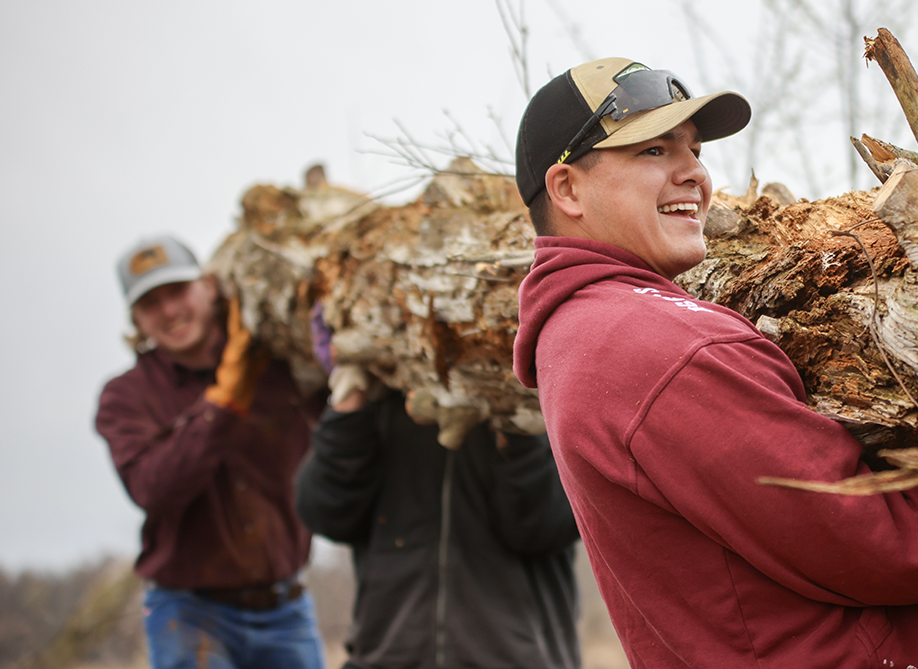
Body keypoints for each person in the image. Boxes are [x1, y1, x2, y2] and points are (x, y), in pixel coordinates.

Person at [510, 56, 918, 668]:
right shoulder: (651, 346)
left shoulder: (584, 331)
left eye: (694, 149)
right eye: (653, 152)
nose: (694, 173)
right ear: (567, 188)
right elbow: (864, 534)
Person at [294, 307, 582, 669]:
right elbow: (326, 512)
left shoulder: (553, 399)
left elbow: (543, 525)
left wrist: (513, 414)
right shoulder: (381, 404)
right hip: (388, 657)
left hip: (516, 659)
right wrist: (348, 400)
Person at [96, 235, 326, 669]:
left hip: (287, 607)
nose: (169, 311)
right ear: (136, 321)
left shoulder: (279, 365)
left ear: (209, 287)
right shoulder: (126, 397)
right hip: (188, 613)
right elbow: (152, 489)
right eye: (150, 304)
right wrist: (222, 405)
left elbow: (339, 422)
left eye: (177, 291)